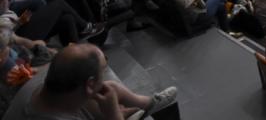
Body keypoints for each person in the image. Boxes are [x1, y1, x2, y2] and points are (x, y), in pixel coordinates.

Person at [3, 43, 177, 120]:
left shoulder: (45, 80)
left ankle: (146, 104)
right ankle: (131, 110)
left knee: (109, 88)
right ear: (89, 84)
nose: (106, 72)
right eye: (103, 70)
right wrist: (112, 115)